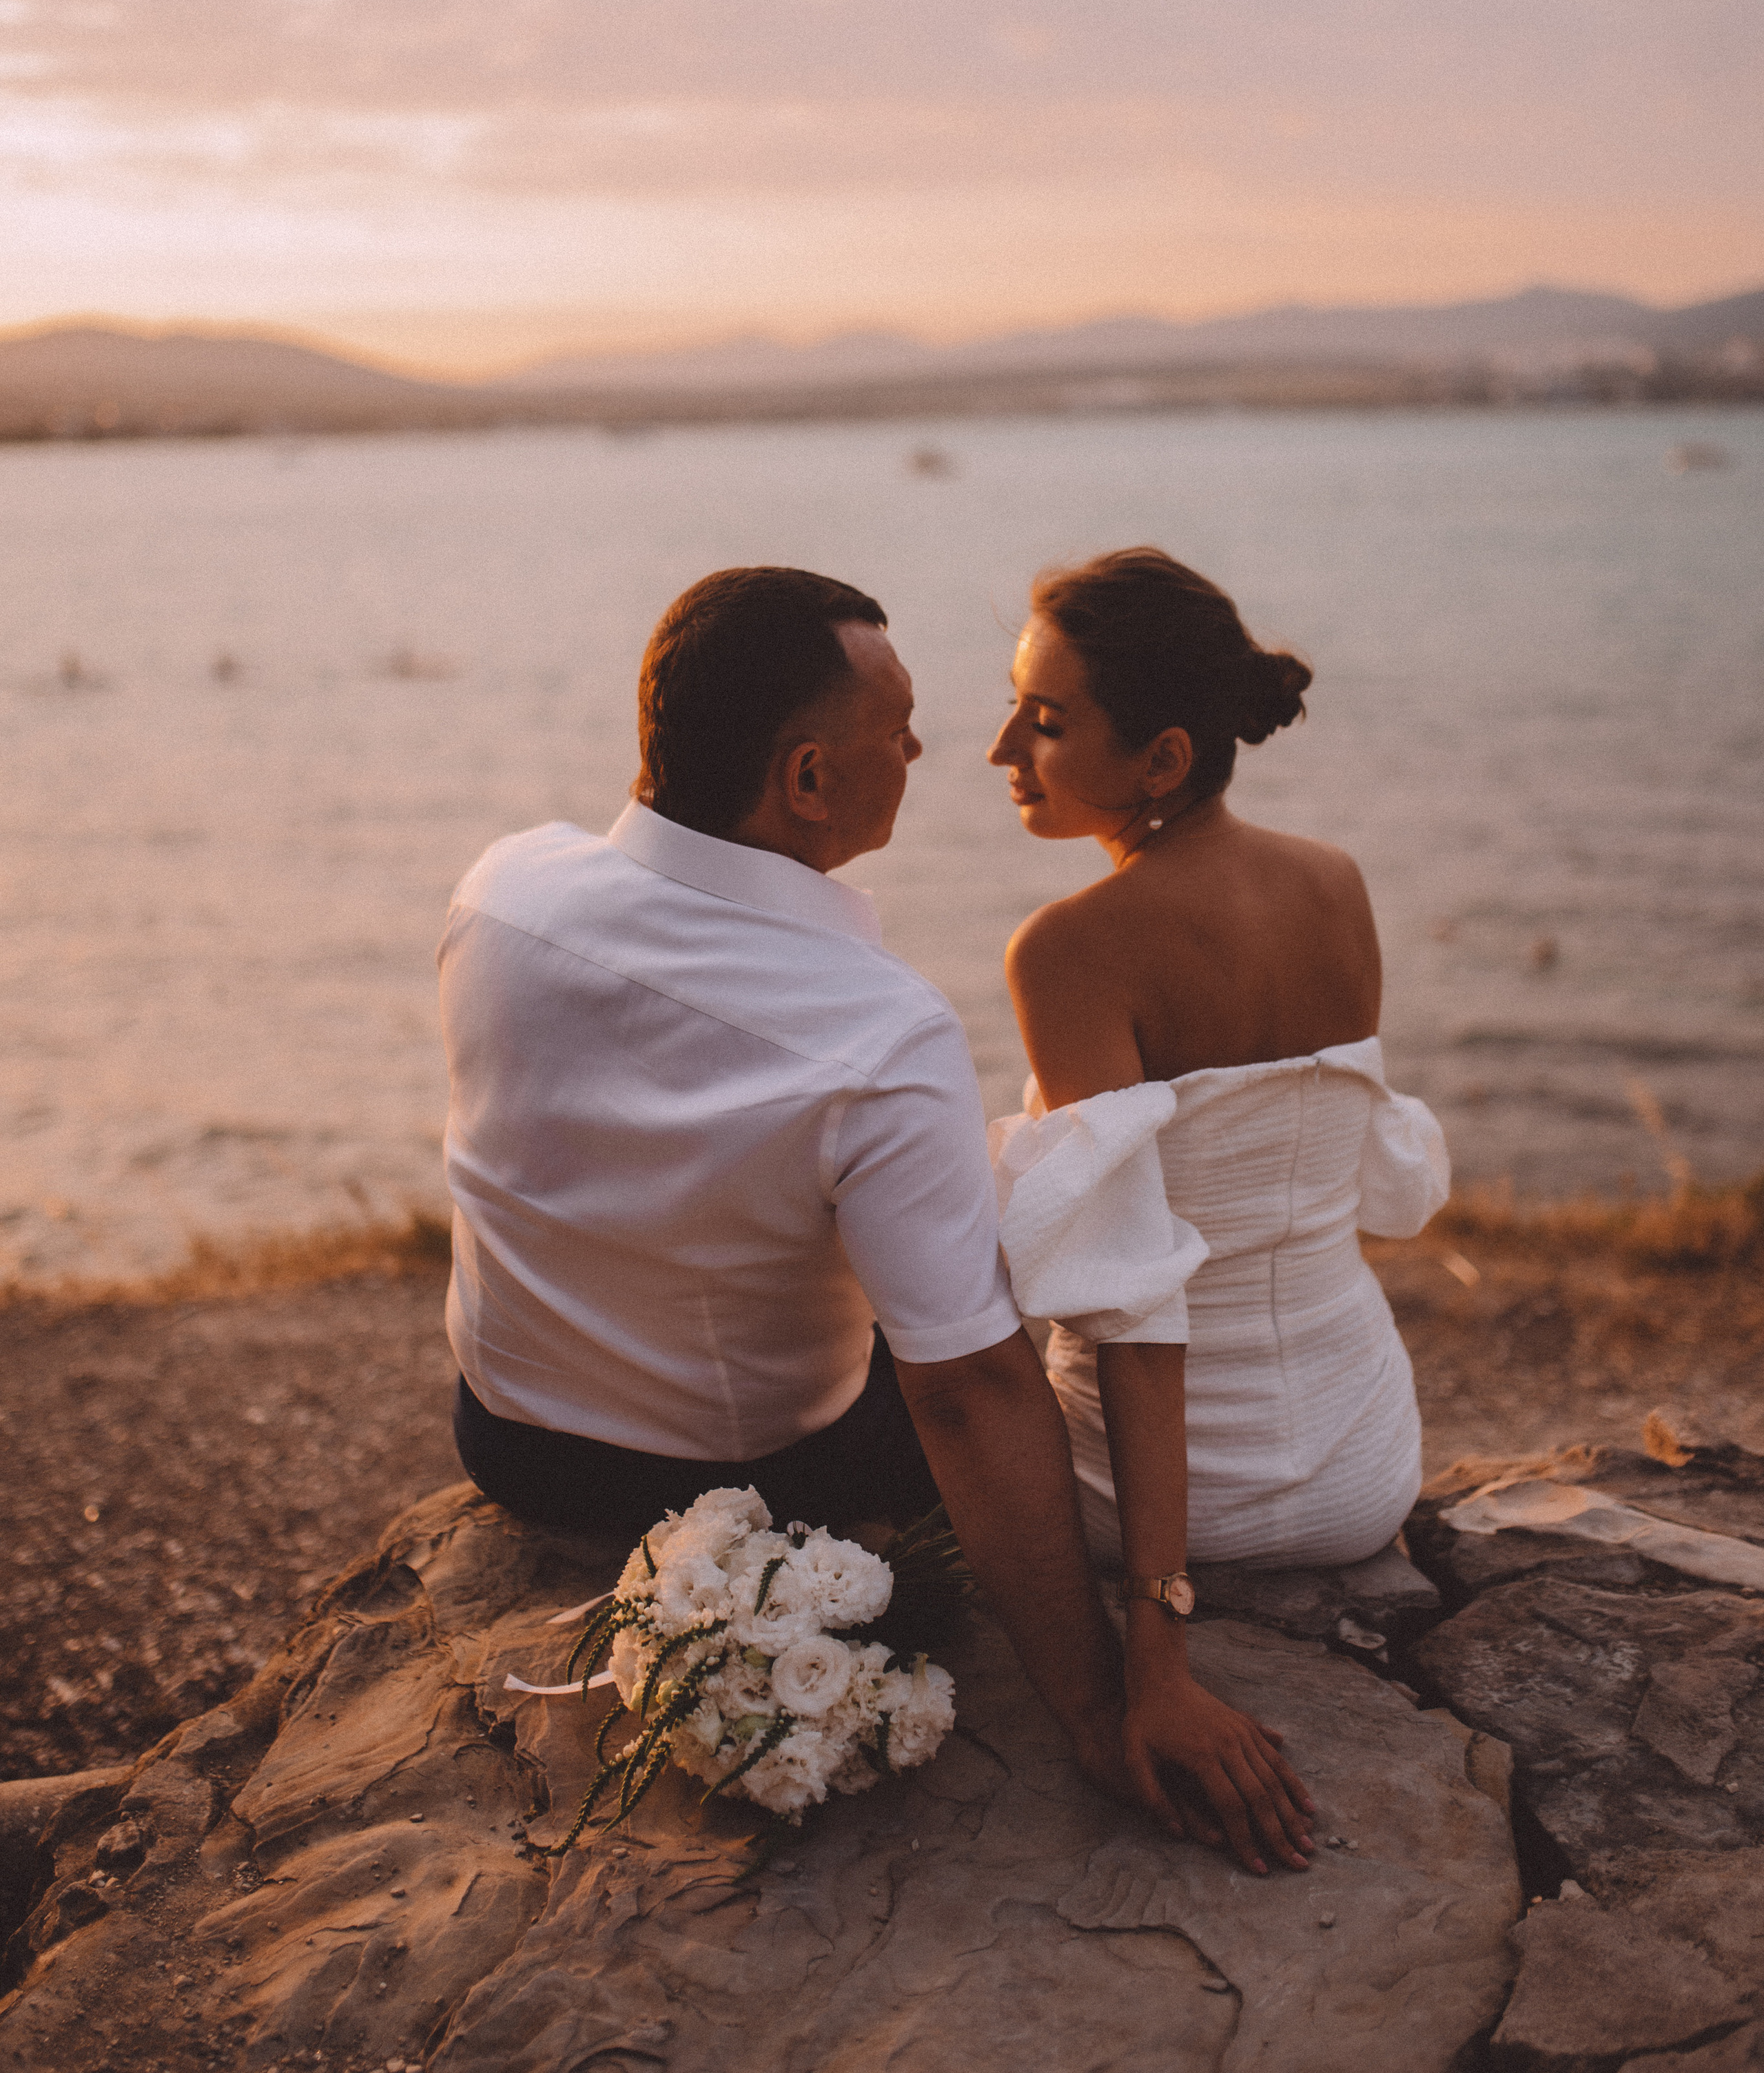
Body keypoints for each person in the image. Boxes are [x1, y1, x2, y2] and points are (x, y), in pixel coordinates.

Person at [438, 564, 1314, 1873]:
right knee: (987, 1300)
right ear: (806, 781)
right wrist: (1092, 1707)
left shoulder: (503, 885)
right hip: (740, 1475)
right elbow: (965, 1392)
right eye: (896, 729)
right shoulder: (875, 1028)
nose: (926, 749)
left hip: (505, 1435)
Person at [986, 546, 1448, 1857]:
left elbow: (1136, 1303)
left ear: (1166, 761)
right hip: (1366, 1464)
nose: (1001, 744)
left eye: (1047, 718)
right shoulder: (1337, 882)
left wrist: (1159, 1653)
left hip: (1163, 1500)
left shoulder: (1072, 947)